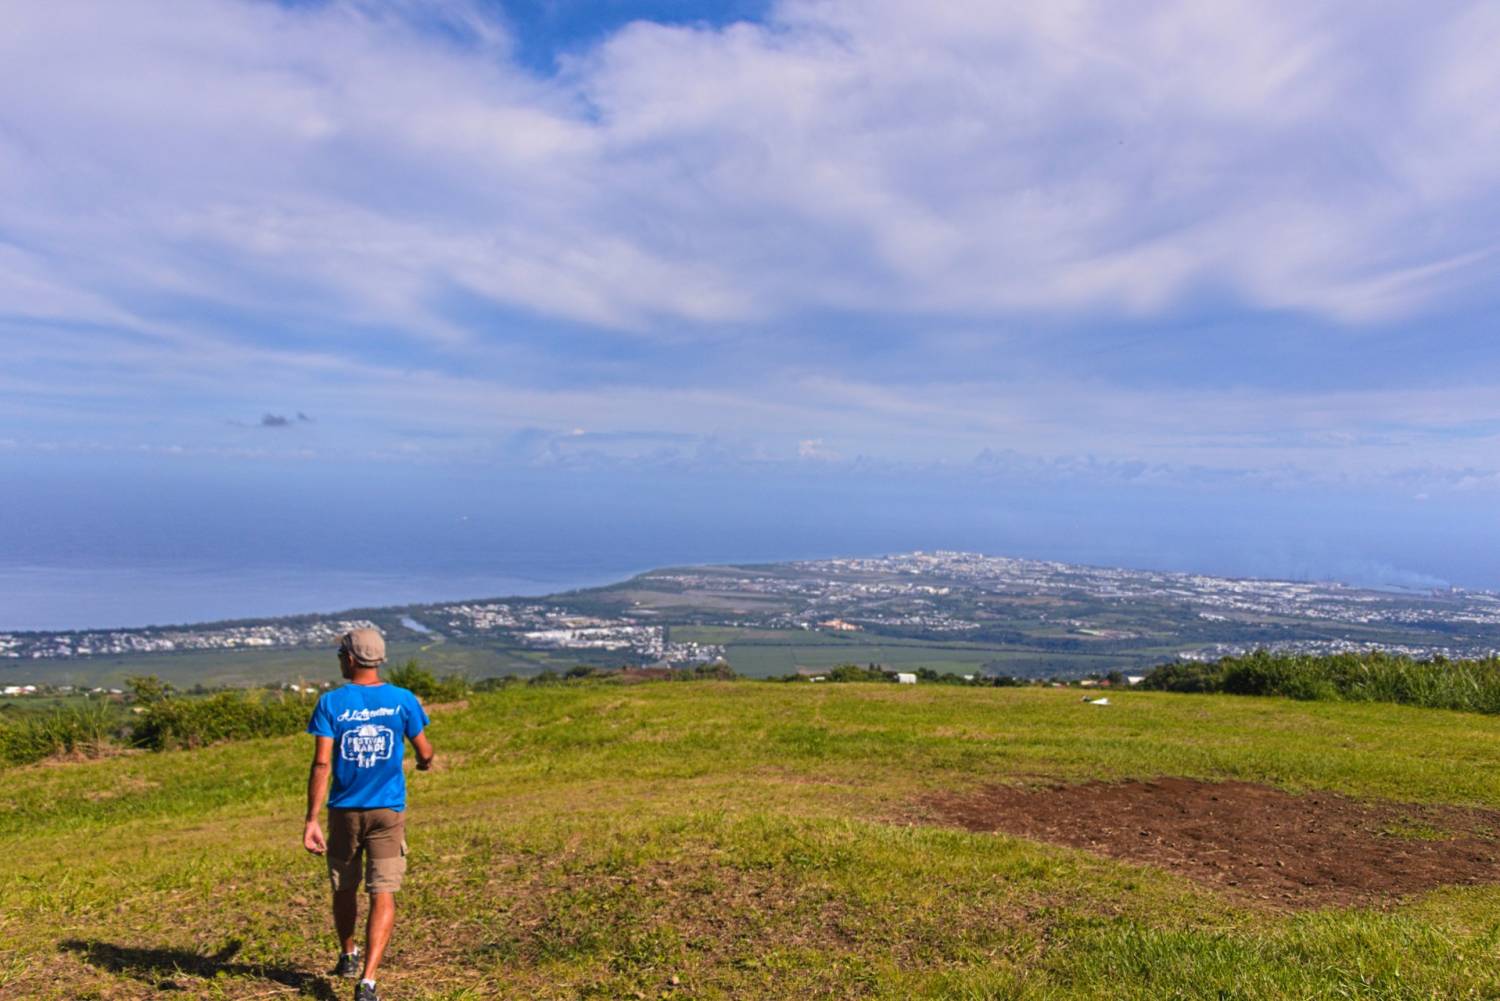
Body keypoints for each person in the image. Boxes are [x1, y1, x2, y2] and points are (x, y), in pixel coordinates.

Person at [302, 628, 434, 1001]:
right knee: (383, 892)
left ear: (350, 658)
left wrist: (311, 819)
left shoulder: (331, 703)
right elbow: (424, 751)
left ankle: (347, 954)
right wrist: (424, 763)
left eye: (341, 654)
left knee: (344, 886)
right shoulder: (403, 700)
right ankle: (368, 980)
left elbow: (322, 764)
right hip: (387, 812)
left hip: (344, 812)